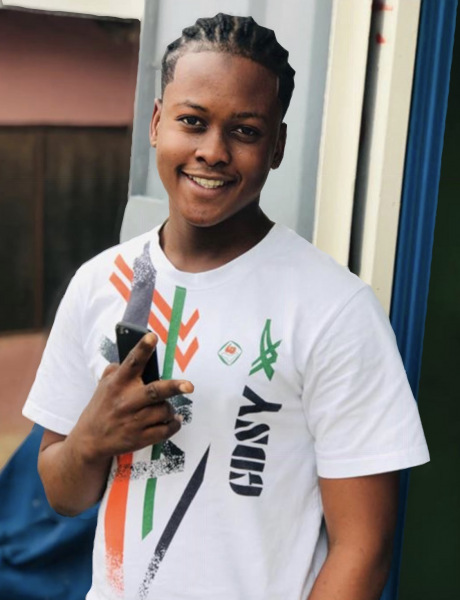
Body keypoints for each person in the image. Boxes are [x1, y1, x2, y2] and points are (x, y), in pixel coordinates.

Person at [23, 13, 429, 600]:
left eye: (244, 131)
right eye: (192, 121)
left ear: (277, 146)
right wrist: (91, 440)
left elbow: (363, 550)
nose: (212, 152)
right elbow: (64, 496)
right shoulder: (99, 284)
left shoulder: (333, 309)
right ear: (157, 123)